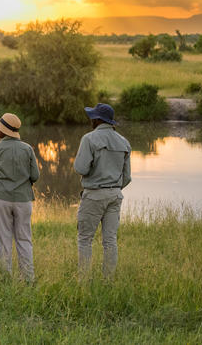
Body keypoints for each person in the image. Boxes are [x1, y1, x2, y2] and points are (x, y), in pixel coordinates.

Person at [0, 113, 40, 282]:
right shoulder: (27, 149)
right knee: (24, 239)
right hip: (24, 200)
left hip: (1, 200)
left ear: (4, 130)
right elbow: (35, 175)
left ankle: (6, 278)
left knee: (4, 240)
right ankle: (28, 278)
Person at [74, 103, 131, 279]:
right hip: (115, 195)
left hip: (94, 195)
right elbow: (127, 177)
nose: (91, 119)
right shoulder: (123, 141)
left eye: (93, 117)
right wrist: (112, 187)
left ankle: (83, 280)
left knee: (85, 239)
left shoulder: (89, 139)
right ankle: (108, 280)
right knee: (110, 241)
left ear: (98, 120)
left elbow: (81, 168)